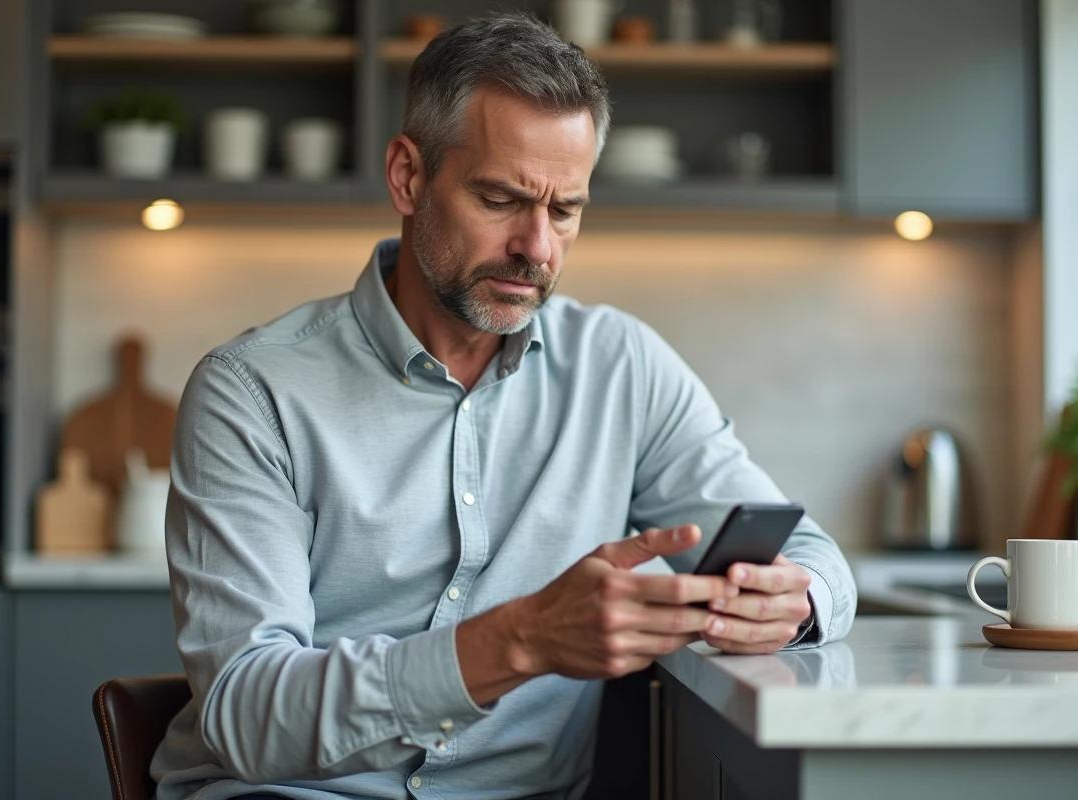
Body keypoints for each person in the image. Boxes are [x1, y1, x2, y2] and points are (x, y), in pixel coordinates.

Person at [152, 13, 857, 800]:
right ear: (408, 177)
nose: (538, 248)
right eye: (501, 199)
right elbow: (245, 715)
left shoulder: (621, 366)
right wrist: (520, 640)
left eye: (565, 211)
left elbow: (817, 559)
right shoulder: (251, 392)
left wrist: (790, 605)